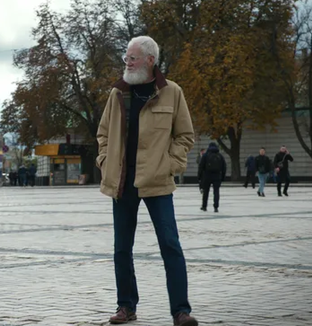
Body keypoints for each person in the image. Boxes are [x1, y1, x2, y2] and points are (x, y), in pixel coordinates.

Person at [96, 36, 197, 326]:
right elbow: (103, 134)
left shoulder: (172, 92)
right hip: (122, 181)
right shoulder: (117, 94)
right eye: (126, 58)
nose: (127, 63)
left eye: (133, 58)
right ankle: (126, 306)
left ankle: (181, 311)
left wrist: (171, 165)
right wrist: (105, 161)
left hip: (157, 180)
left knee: (170, 244)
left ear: (150, 60)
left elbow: (184, 135)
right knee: (121, 248)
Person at [197, 142, 226, 213]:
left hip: (207, 175)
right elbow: (224, 167)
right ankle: (216, 207)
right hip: (217, 176)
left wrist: (199, 177)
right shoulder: (220, 156)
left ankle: (204, 206)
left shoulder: (206, 155)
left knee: (206, 192)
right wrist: (222, 177)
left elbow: (201, 167)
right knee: (216, 192)